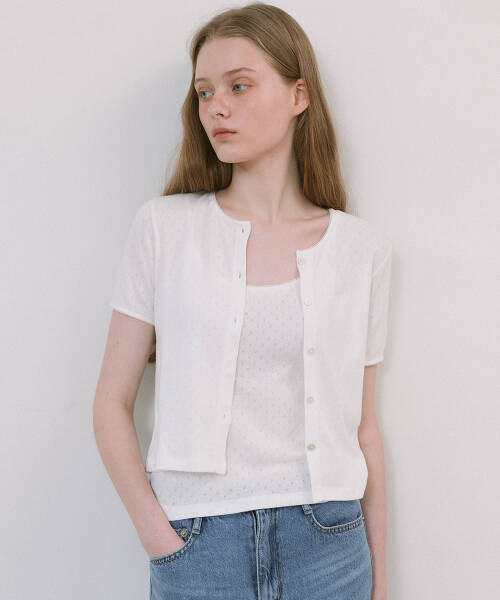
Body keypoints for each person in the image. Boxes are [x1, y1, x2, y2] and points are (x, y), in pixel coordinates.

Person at [93, 3, 393, 599]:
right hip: (198, 546)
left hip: (330, 546)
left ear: (299, 95)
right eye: (204, 92)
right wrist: (160, 539)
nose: (216, 108)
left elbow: (364, 431)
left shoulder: (362, 249)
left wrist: (380, 585)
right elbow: (110, 402)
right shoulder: (164, 228)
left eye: (238, 86)